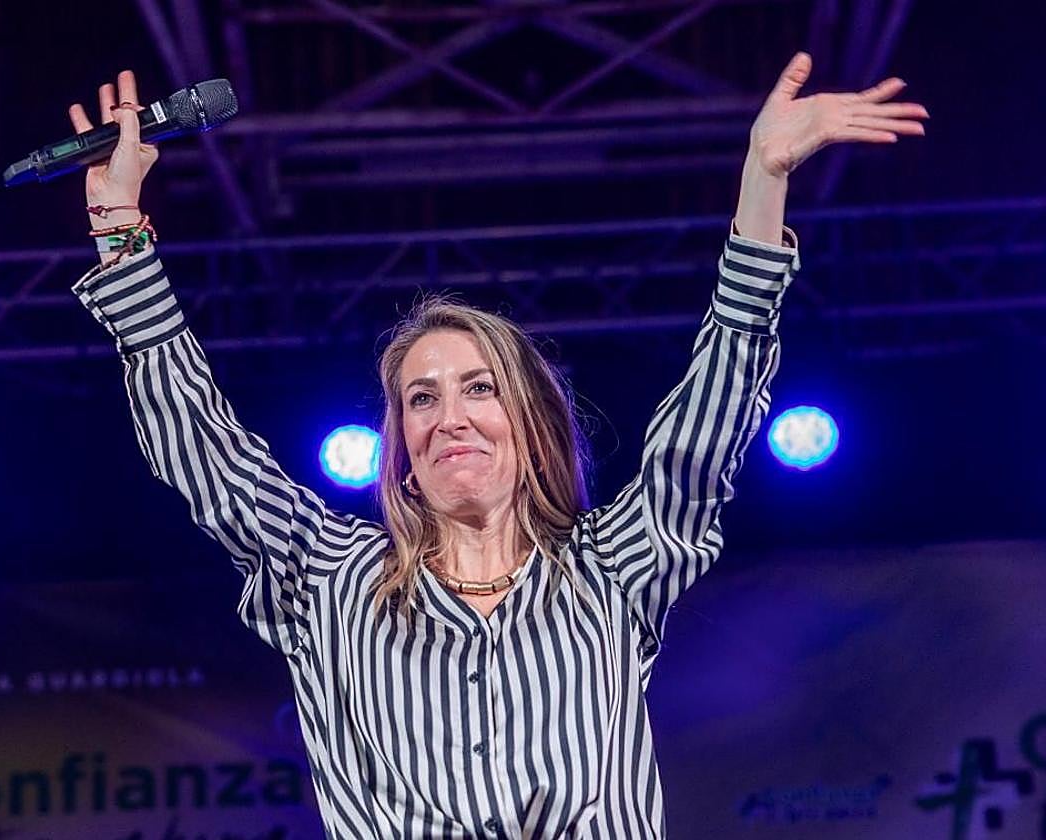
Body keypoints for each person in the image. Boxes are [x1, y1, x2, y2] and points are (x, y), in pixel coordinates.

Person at [65, 55, 927, 838]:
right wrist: (118, 226)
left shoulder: (611, 568)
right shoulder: (330, 580)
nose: (451, 417)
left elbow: (711, 418)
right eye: (422, 398)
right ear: (401, 446)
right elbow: (203, 450)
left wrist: (763, 181)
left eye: (479, 388)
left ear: (529, 423)